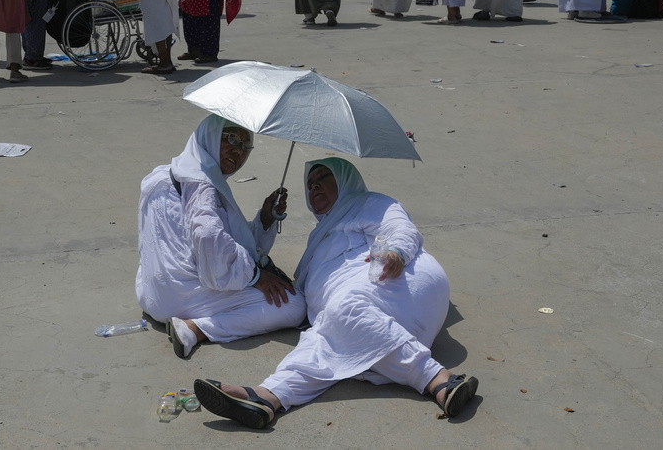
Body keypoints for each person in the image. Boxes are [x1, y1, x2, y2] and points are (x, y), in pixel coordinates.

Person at [194, 158, 478, 429]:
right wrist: (268, 219)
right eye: (309, 183)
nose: (314, 186)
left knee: (344, 309)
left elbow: (400, 228)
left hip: (401, 283)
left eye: (323, 177)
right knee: (318, 340)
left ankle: (437, 378)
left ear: (345, 180)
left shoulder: (368, 202)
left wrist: (396, 253)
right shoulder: (318, 236)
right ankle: (267, 397)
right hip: (362, 318)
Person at [136, 115, 307, 359]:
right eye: (232, 139)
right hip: (181, 299)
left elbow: (222, 239)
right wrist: (255, 276)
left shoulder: (165, 175)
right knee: (294, 304)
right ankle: (195, 329)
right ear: (210, 137)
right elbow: (208, 236)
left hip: (150, 295)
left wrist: (266, 218)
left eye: (246, 146)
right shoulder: (201, 183)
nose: (238, 151)